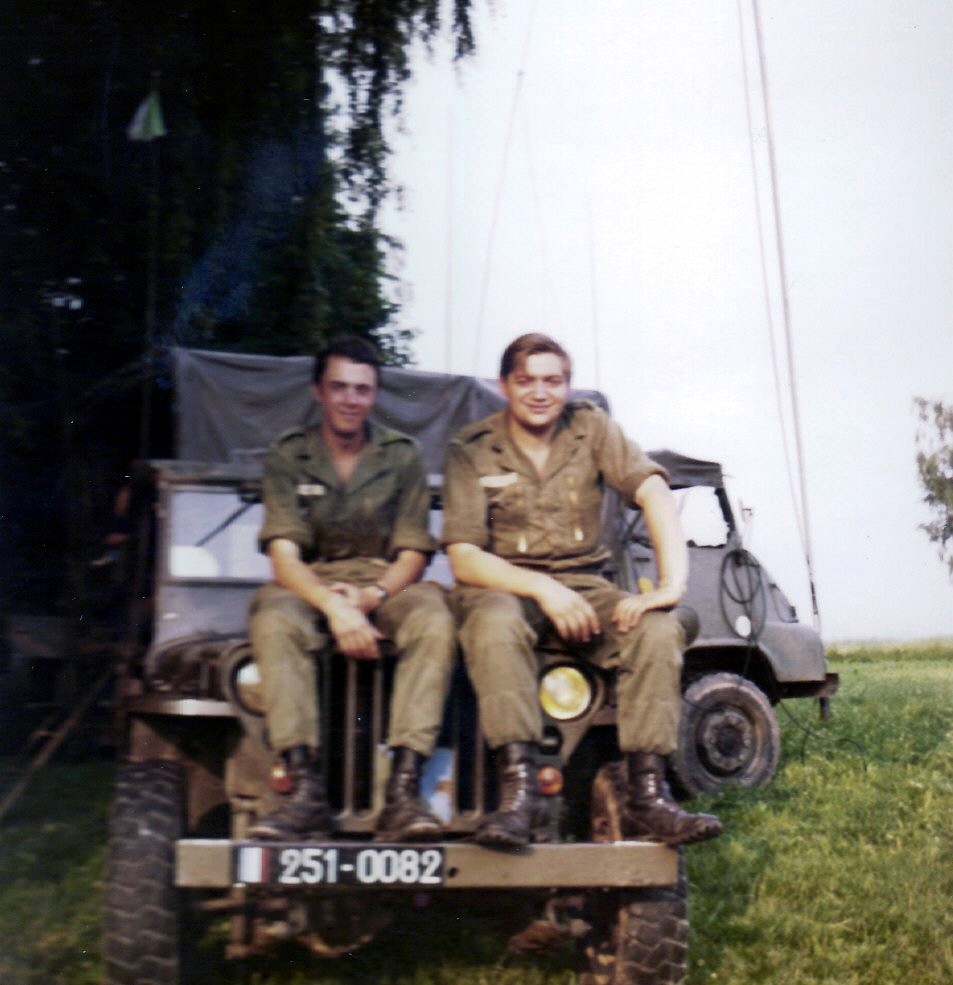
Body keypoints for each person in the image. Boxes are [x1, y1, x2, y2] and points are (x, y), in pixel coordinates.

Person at [441, 333, 722, 849]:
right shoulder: (473, 448)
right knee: (495, 623)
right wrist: (542, 588)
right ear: (504, 386)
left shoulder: (591, 428)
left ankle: (648, 795)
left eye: (553, 381)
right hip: (503, 586)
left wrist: (671, 585)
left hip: (585, 587)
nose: (540, 393)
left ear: (567, 386)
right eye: (526, 381)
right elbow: (464, 556)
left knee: (656, 631)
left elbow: (652, 489)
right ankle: (520, 795)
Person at [247, 336, 456, 842]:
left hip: (385, 583)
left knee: (435, 618)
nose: (350, 399)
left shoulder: (400, 456)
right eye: (339, 387)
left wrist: (371, 598)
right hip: (309, 583)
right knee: (273, 618)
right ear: (318, 391)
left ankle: (405, 790)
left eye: (362, 389)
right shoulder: (290, 455)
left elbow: (413, 552)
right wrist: (334, 607)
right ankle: (303, 789)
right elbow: (284, 556)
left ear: (374, 394)